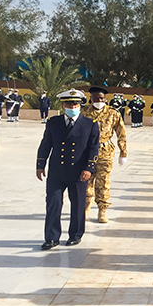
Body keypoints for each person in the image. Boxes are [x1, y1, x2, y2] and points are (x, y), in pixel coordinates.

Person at [36, 89, 100, 250]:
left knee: (78, 204)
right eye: (69, 103)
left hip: (79, 172)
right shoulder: (54, 122)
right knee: (53, 203)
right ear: (63, 105)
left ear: (80, 105)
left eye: (76, 103)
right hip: (57, 171)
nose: (72, 106)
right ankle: (51, 237)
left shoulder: (90, 124)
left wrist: (89, 168)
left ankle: (75, 234)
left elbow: (93, 149)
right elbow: (46, 144)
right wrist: (40, 165)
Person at [81, 86, 128, 223]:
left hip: (105, 151)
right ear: (91, 99)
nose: (99, 101)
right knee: (86, 180)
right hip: (86, 152)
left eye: (102, 98)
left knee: (103, 182)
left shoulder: (113, 113)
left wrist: (123, 152)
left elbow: (121, 133)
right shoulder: (83, 112)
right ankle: (85, 206)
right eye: (96, 98)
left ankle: (102, 210)